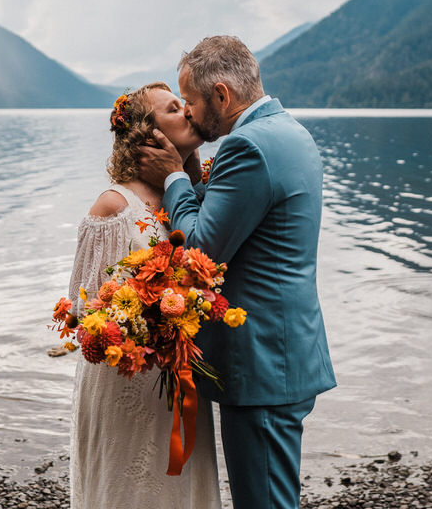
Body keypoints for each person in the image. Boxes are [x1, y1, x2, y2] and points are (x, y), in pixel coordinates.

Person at [139, 35, 337, 509]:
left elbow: (200, 249)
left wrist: (174, 177)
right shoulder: (291, 132)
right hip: (287, 352)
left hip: (263, 363)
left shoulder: (248, 146)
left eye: (190, 101)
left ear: (222, 96)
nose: (188, 113)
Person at [67, 82, 221, 509]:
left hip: (179, 375)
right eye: (175, 108)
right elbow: (83, 312)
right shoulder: (115, 207)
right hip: (127, 383)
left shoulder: (189, 199)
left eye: (185, 104)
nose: (189, 112)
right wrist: (145, 319)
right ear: (148, 134)